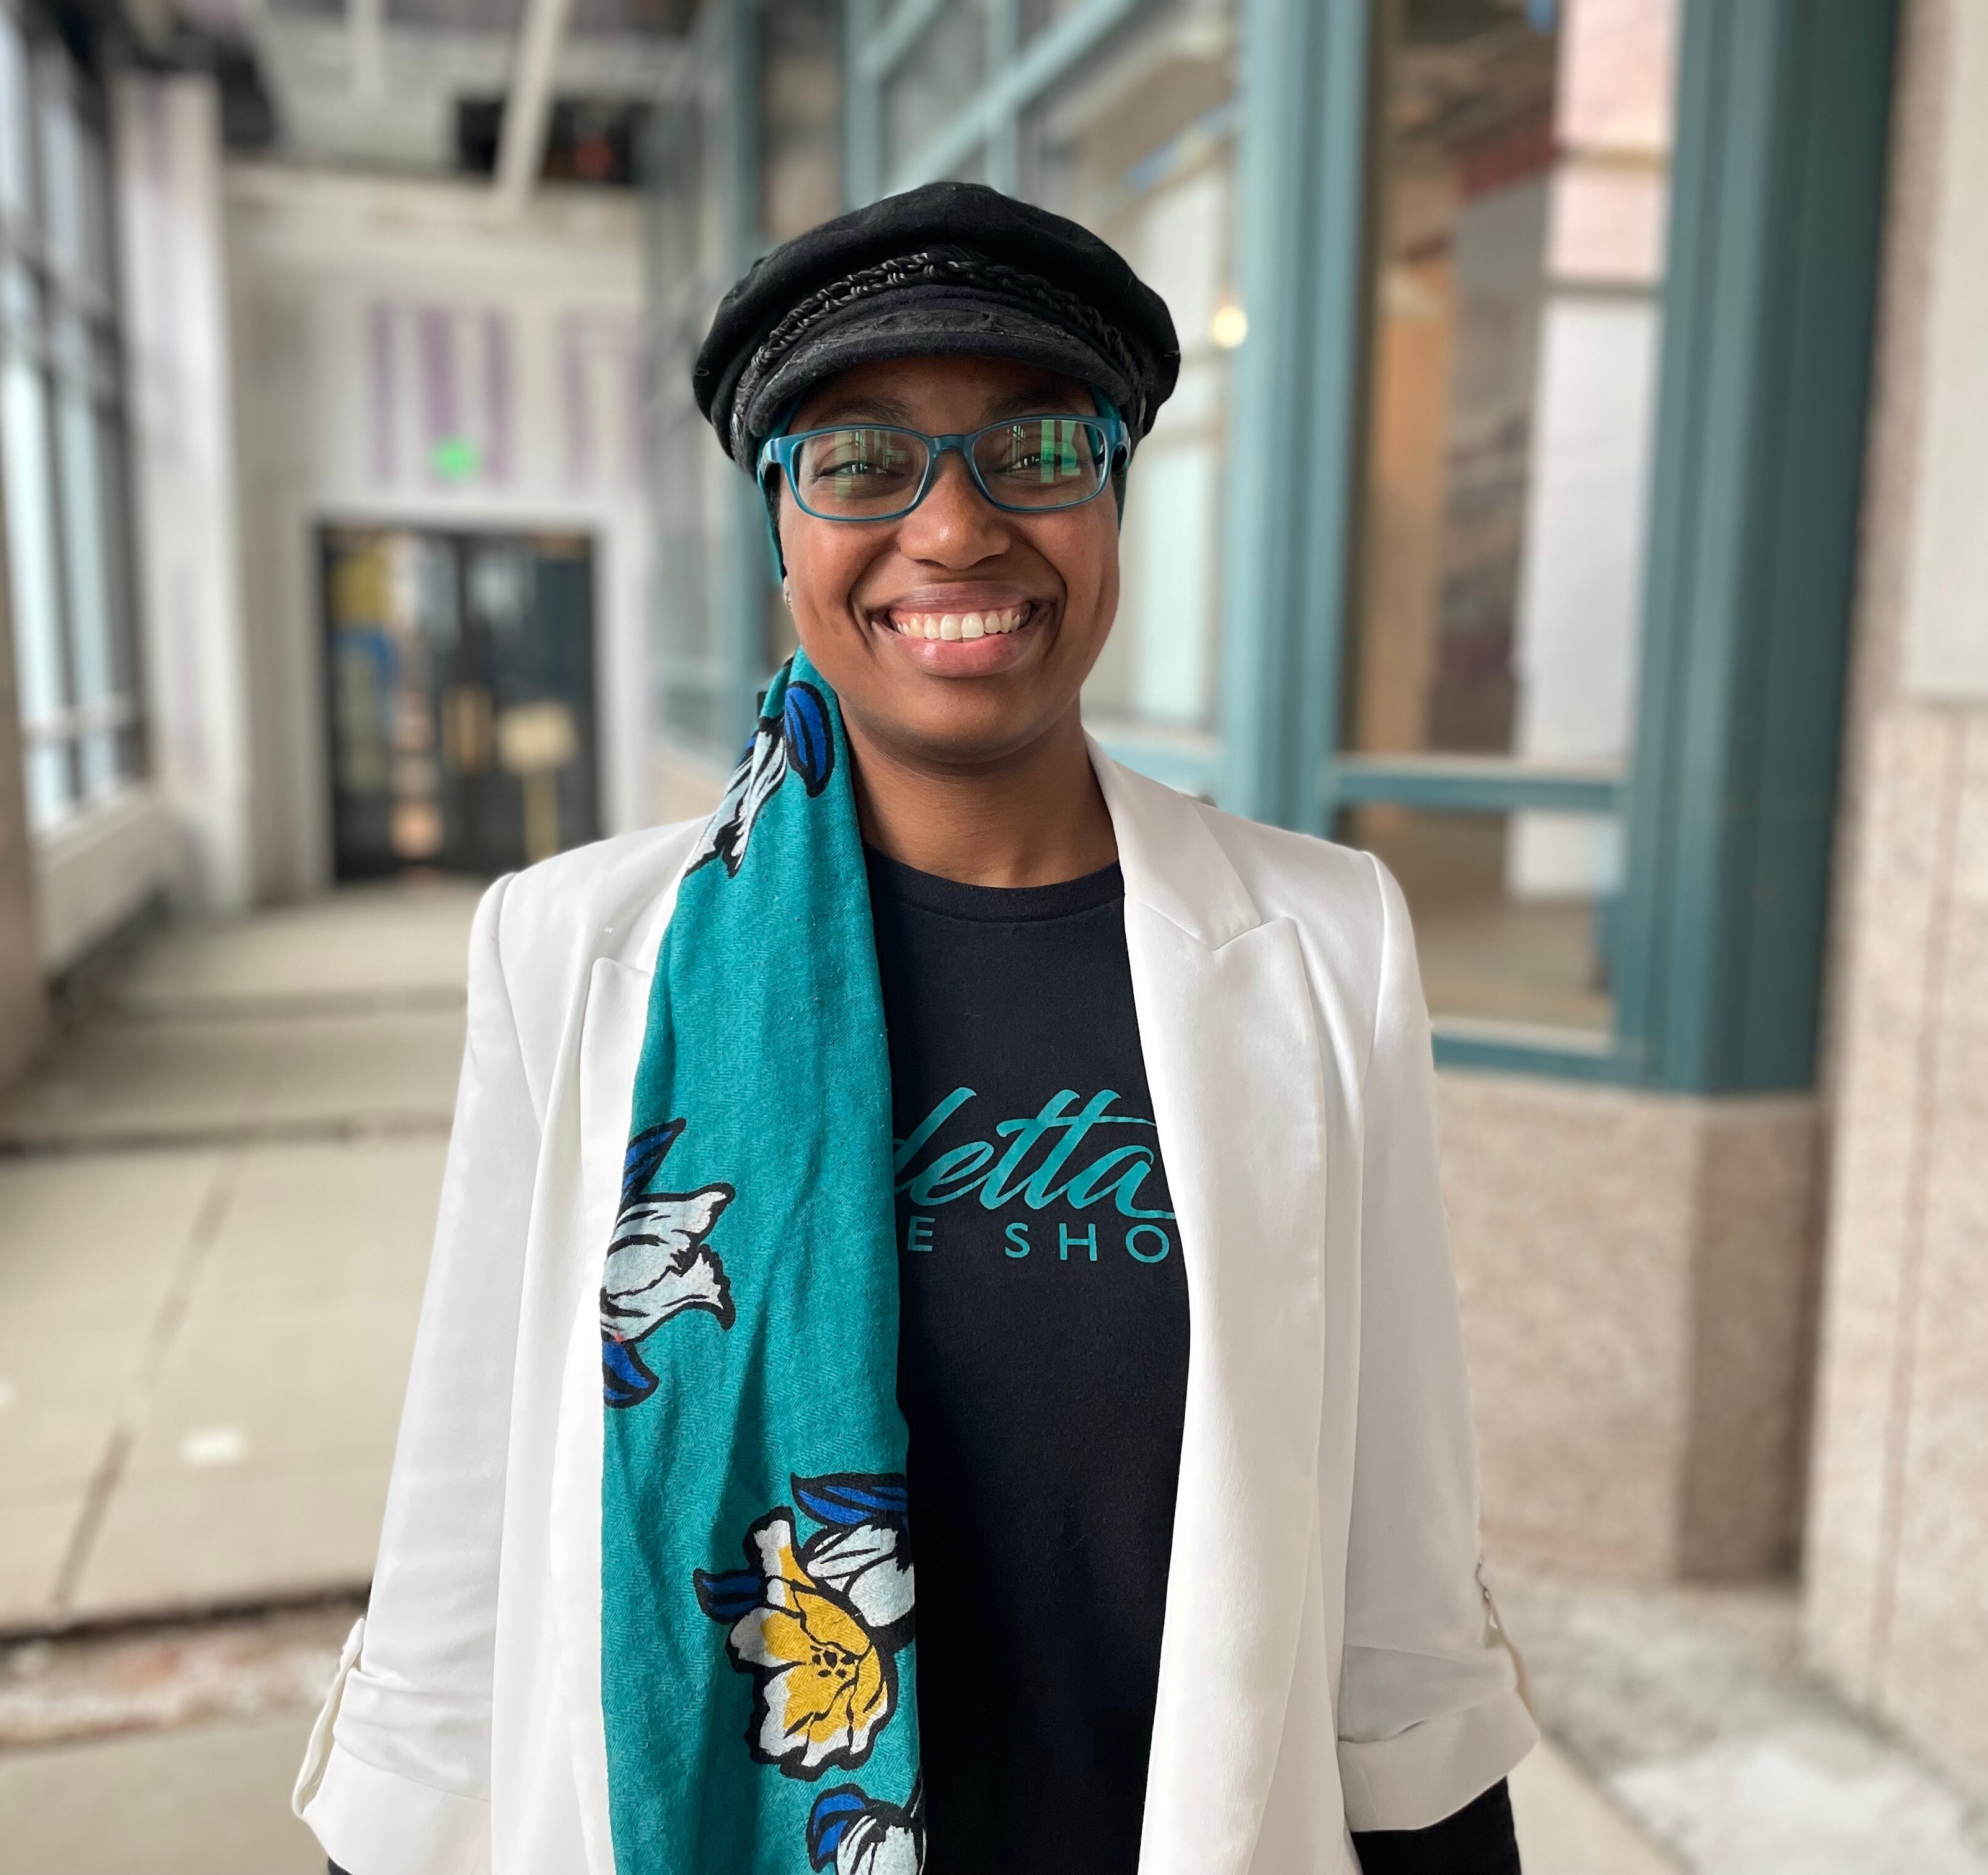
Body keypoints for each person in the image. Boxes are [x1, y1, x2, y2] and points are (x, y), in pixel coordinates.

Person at [297, 181, 1534, 1875]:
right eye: (865, 460)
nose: (955, 532)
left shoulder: (1320, 946)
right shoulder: (582, 957)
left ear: (1111, 498)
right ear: (782, 523)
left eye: (1036, 449)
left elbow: (1395, 1573)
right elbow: (464, 1539)